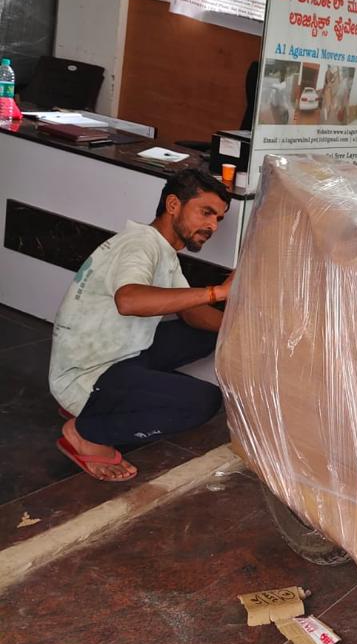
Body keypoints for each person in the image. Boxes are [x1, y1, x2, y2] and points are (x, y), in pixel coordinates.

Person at [48, 169, 233, 482]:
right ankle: (88, 432)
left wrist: (244, 331)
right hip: (87, 374)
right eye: (206, 212)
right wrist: (217, 292)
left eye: (219, 219)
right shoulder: (140, 245)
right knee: (203, 403)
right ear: (173, 205)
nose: (213, 226)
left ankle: (102, 407)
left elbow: (193, 313)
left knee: (210, 333)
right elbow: (129, 300)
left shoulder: (162, 249)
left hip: (119, 354)